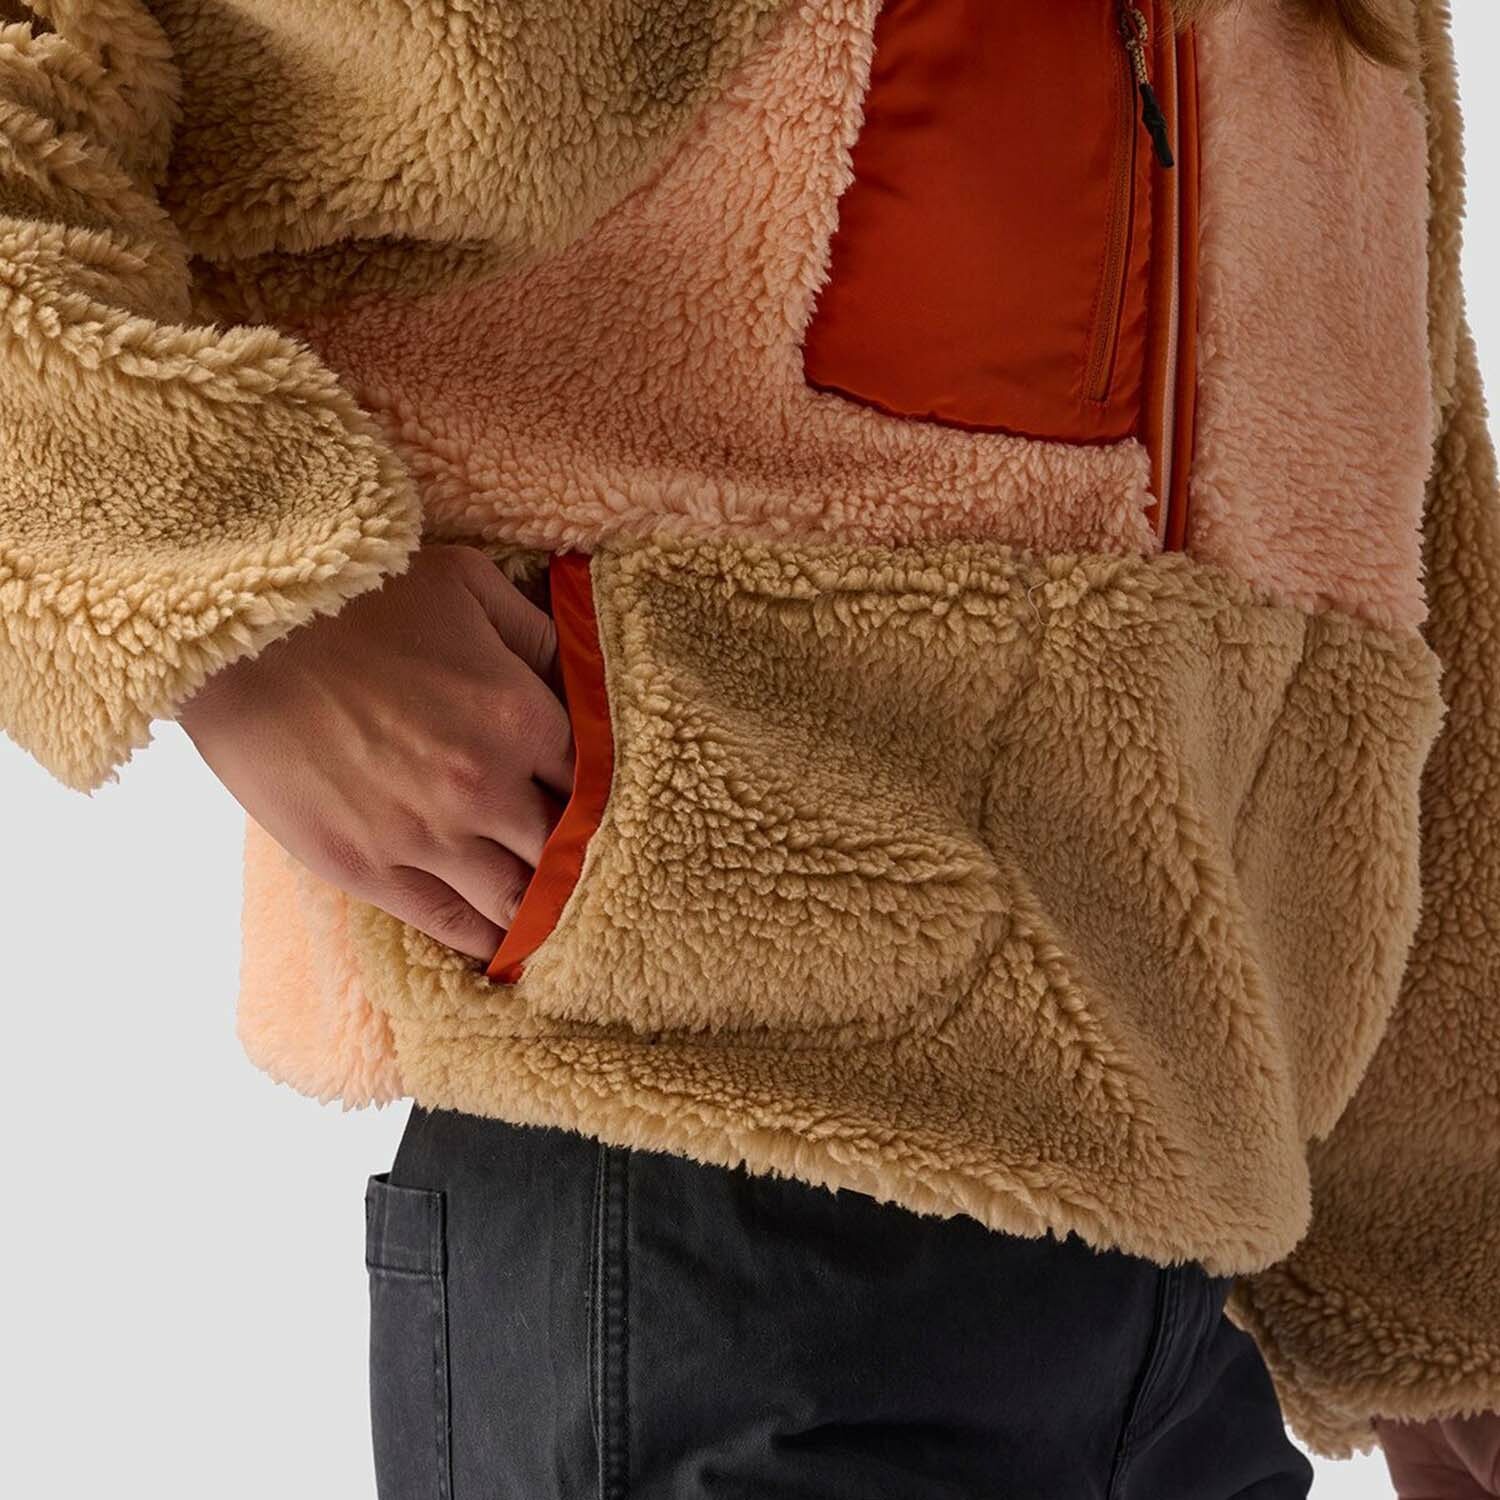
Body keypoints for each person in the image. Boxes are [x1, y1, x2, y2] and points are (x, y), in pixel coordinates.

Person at [1, 0, 1494, 1494]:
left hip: (1187, 1288)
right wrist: (248, 611)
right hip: (699, 1163)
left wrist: (1453, 1295)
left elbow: (1406, 593)